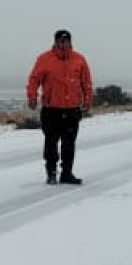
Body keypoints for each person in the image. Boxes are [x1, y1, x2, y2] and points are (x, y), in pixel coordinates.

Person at [27, 28, 93, 185]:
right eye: (60, 41)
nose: (63, 44)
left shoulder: (79, 60)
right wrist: (32, 97)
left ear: (70, 42)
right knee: (51, 143)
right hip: (51, 110)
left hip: (72, 110)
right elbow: (34, 79)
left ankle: (67, 174)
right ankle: (51, 173)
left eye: (65, 41)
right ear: (55, 42)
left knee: (69, 144)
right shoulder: (44, 59)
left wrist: (88, 101)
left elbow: (86, 83)